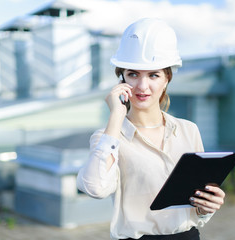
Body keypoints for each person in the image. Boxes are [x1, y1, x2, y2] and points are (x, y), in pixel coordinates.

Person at [76, 18, 226, 240]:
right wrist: (117, 115)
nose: (142, 86)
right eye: (133, 74)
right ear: (122, 78)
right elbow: (95, 188)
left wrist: (206, 207)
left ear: (167, 78)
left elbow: (196, 206)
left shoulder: (188, 130)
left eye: (153, 75)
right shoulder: (108, 137)